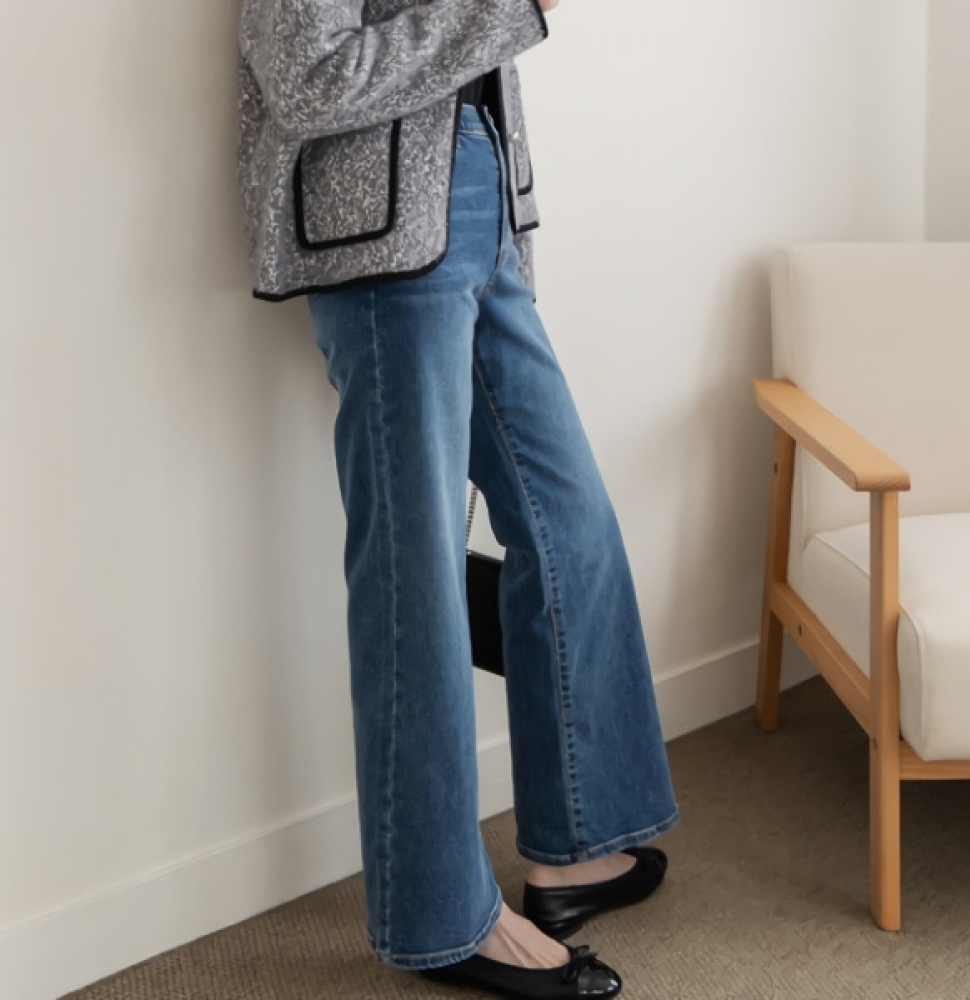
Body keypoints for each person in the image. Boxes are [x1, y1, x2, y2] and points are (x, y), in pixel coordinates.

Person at [237, 1, 680, 996]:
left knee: (569, 522)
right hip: (384, 241)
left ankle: (573, 844)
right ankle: (440, 916)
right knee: (416, 577)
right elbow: (304, 77)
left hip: (477, 200)